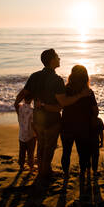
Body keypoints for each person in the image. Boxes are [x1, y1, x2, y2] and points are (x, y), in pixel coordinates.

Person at [14, 49, 90, 178]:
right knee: (49, 147)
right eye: (57, 57)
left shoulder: (34, 76)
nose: (59, 59)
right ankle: (45, 171)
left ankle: (41, 170)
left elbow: (22, 94)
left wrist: (18, 109)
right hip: (52, 120)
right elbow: (64, 102)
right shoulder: (56, 79)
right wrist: (80, 95)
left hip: (37, 118)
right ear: (52, 60)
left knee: (41, 144)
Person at [60, 65, 99, 177]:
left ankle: (66, 174)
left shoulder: (65, 90)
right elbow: (95, 111)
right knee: (83, 153)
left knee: (66, 152)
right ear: (85, 77)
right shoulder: (88, 92)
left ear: (71, 75)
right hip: (83, 127)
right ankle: (82, 173)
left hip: (66, 126)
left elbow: (61, 105)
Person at [17, 93, 37, 171]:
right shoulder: (32, 110)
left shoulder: (20, 107)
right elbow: (32, 124)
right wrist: (37, 134)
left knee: (22, 151)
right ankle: (31, 166)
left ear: (24, 99)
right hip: (30, 135)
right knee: (30, 152)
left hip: (21, 134)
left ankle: (21, 165)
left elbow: (16, 105)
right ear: (32, 99)